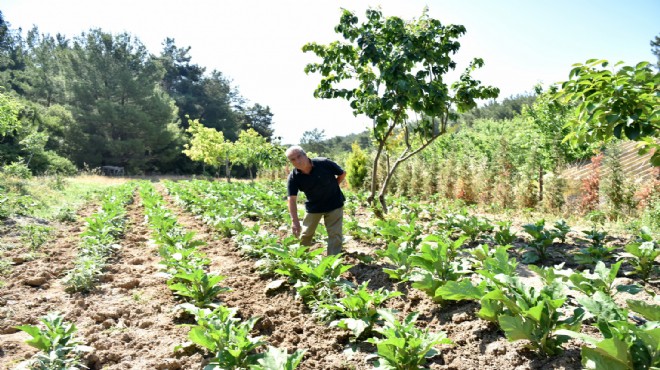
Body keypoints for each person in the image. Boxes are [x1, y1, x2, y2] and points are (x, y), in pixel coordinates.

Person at [286, 145, 346, 255]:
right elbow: (292, 199)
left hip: (334, 203)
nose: (297, 161)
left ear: (305, 155)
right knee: (305, 234)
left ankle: (332, 261)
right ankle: (301, 257)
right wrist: (294, 221)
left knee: (335, 234)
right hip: (314, 207)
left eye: (299, 156)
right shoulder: (294, 177)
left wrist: (334, 185)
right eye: (293, 159)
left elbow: (342, 173)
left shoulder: (324, 163)